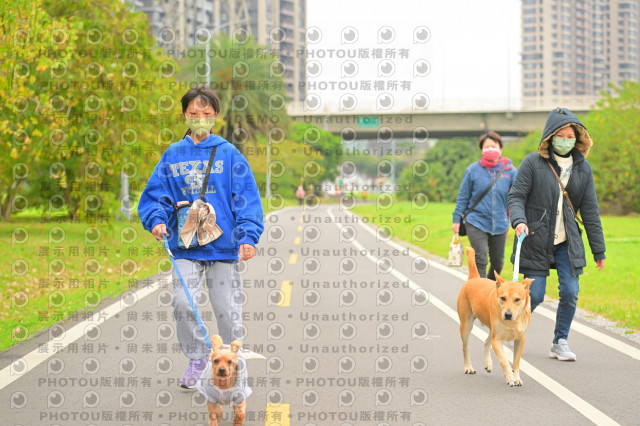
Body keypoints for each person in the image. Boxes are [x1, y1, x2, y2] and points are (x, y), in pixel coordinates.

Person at [138, 85, 264, 387]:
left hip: (223, 246)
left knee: (227, 312)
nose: (199, 118)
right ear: (185, 115)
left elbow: (245, 197)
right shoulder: (173, 154)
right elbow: (156, 196)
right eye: (193, 113)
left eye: (205, 113)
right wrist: (156, 220)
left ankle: (233, 364)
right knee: (182, 303)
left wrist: (248, 236)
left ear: (216, 115)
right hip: (185, 245)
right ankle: (197, 357)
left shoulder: (229, 153)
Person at [507, 107, 606, 361]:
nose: (565, 140)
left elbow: (590, 211)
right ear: (550, 137)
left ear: (578, 138)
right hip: (535, 238)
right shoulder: (532, 162)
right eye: (560, 135)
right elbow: (516, 196)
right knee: (535, 294)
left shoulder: (583, 169)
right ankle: (512, 329)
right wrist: (519, 221)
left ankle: (560, 341)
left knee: (571, 292)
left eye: (570, 136)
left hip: (566, 241)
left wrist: (599, 250)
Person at [453, 131, 517, 279]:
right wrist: (456, 219)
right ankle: (481, 291)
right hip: (476, 222)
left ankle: (490, 287)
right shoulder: (472, 170)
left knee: (498, 263)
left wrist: (516, 219)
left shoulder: (510, 171)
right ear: (482, 149)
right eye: (487, 146)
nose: (490, 149)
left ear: (500, 149)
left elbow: (517, 197)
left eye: (494, 146)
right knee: (481, 259)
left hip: (500, 223)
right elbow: (463, 197)